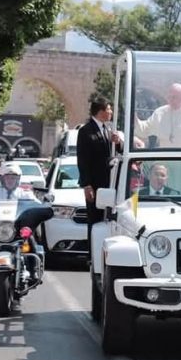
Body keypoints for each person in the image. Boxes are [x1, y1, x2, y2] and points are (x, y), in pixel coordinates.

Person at [77, 97, 121, 254]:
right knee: (95, 219)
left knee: (108, 218)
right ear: (101, 111)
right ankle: (93, 253)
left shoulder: (108, 129)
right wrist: (86, 184)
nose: (111, 112)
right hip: (95, 184)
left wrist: (118, 142)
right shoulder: (85, 131)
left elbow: (119, 152)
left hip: (110, 183)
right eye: (109, 109)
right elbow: (82, 160)